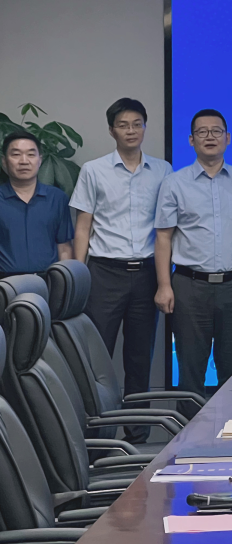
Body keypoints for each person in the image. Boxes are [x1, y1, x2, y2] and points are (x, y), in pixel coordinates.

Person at [70, 98, 172, 442]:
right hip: (104, 273)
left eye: (137, 124)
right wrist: (80, 276)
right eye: (124, 125)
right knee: (96, 357)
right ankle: (97, 435)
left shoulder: (163, 171)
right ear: (112, 130)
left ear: (145, 127)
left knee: (140, 358)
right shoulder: (93, 170)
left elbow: (168, 228)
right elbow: (83, 226)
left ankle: (137, 436)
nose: (131, 130)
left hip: (146, 273)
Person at [153, 110, 232, 416]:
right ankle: (188, 436)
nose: (210, 137)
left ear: (228, 138)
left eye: (216, 131)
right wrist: (164, 285)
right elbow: (163, 237)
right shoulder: (174, 183)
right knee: (190, 368)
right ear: (191, 140)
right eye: (202, 132)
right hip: (189, 286)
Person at [0, 131, 74, 277]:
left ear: (40, 160)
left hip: (48, 280)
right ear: (4, 161)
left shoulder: (57, 198)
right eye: (16, 154)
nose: (24, 161)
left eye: (31, 154)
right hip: (5, 281)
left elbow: (64, 247)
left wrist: (65, 281)